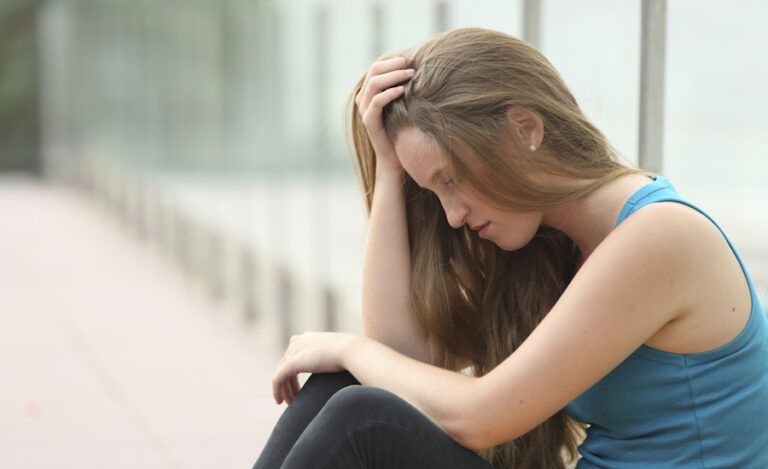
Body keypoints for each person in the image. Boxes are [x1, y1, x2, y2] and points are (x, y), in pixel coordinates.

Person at [253, 27, 768, 469]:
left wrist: (347, 345)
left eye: (451, 179)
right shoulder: (556, 246)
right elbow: (398, 352)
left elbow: (481, 418)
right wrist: (389, 172)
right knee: (341, 388)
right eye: (435, 191)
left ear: (525, 129)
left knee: (359, 416)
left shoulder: (661, 237)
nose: (452, 216)